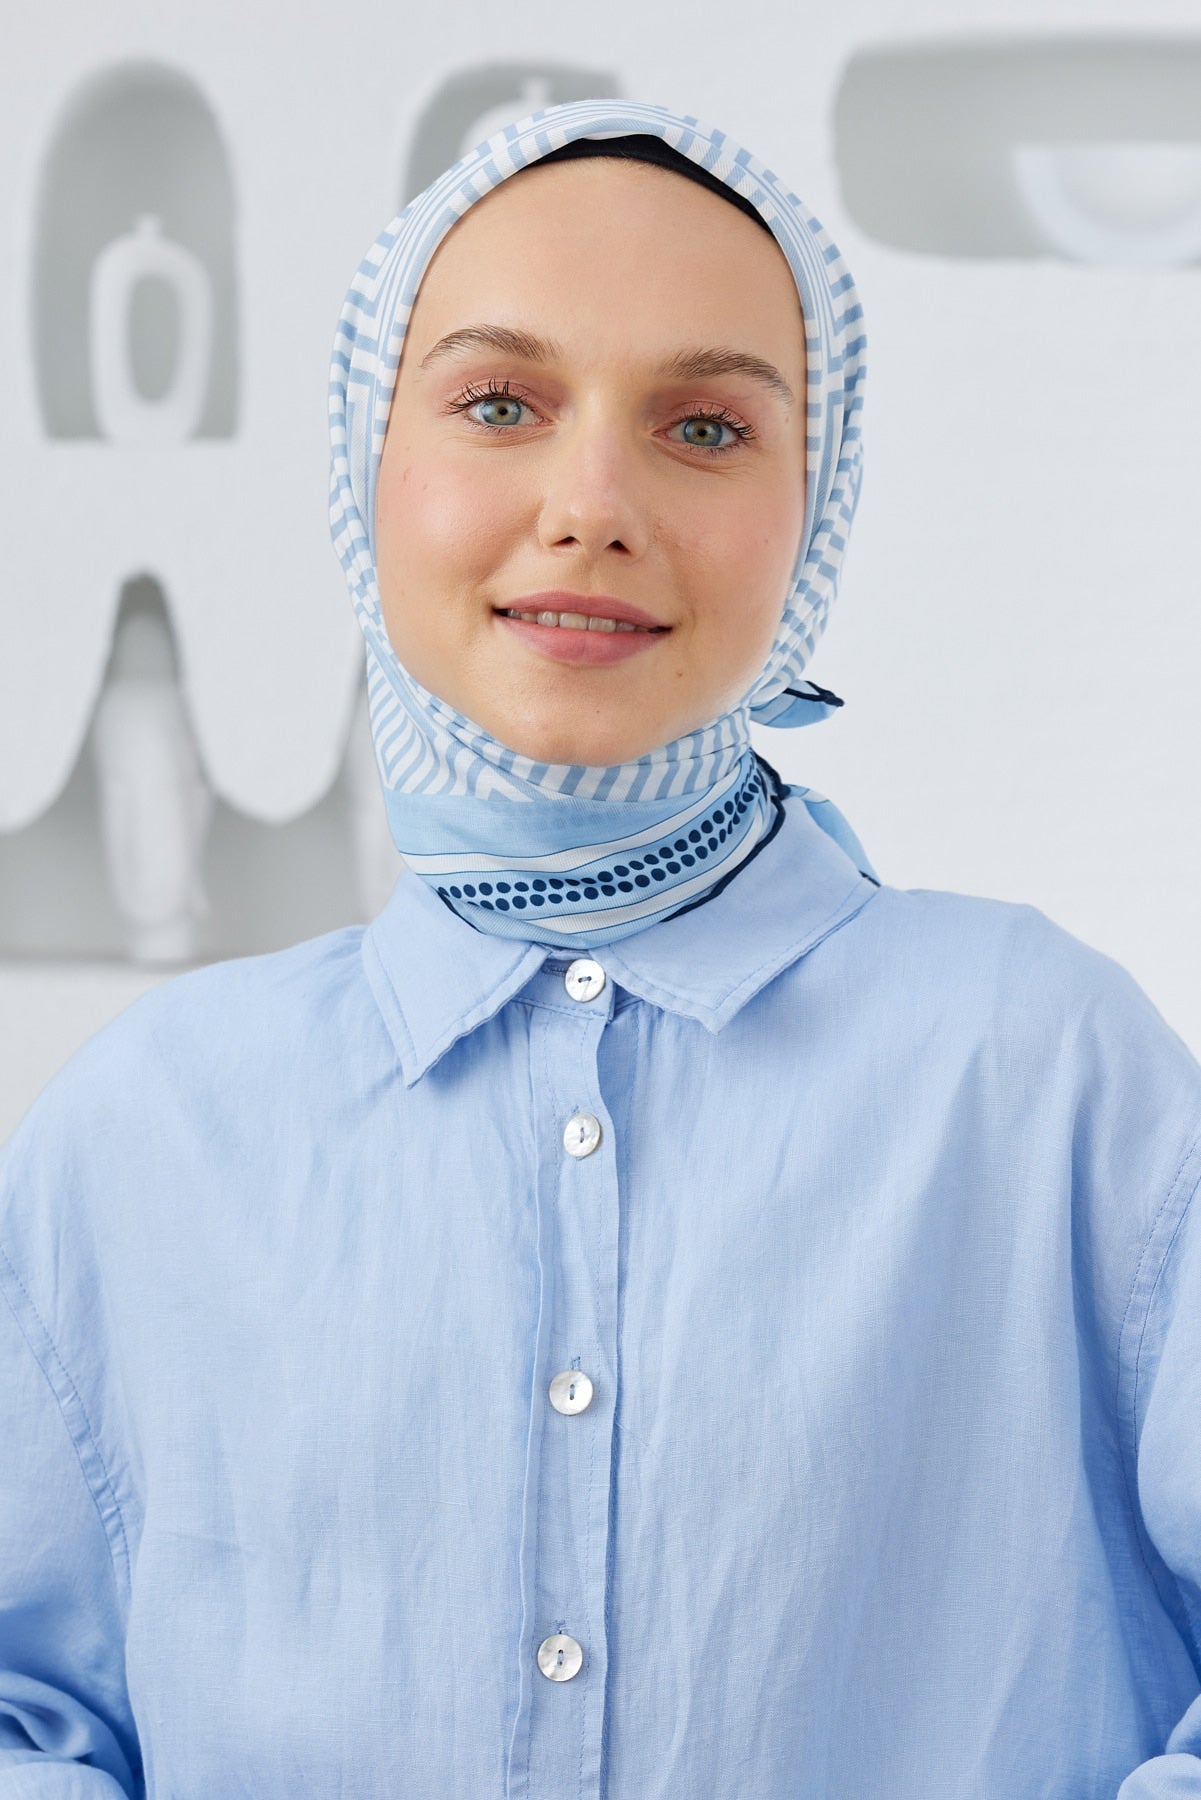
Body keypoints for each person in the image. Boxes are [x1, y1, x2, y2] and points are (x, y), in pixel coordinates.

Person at [0, 96, 1198, 1800]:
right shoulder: (143, 1131)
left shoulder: (1048, 1074)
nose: (591, 504)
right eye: (499, 404)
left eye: (704, 428)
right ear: (366, 460)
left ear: (815, 508)